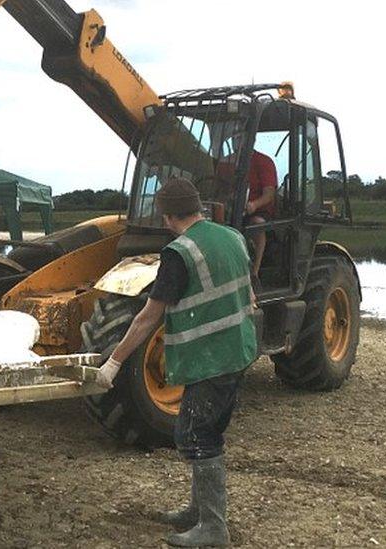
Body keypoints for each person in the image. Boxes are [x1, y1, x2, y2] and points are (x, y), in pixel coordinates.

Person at [96, 177, 257, 547]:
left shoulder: (178, 253)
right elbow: (248, 291)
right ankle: (197, 512)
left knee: (196, 435)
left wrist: (115, 362)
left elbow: (148, 317)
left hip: (210, 358)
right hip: (239, 350)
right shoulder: (233, 236)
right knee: (208, 430)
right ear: (198, 207)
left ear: (167, 216)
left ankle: (214, 528)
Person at [217, 149, 277, 277]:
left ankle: (254, 272)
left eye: (240, 137)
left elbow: (269, 194)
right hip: (232, 209)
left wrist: (254, 204)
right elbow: (219, 188)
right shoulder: (226, 162)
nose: (237, 141)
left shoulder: (263, 161)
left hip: (258, 210)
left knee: (257, 224)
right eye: (235, 137)